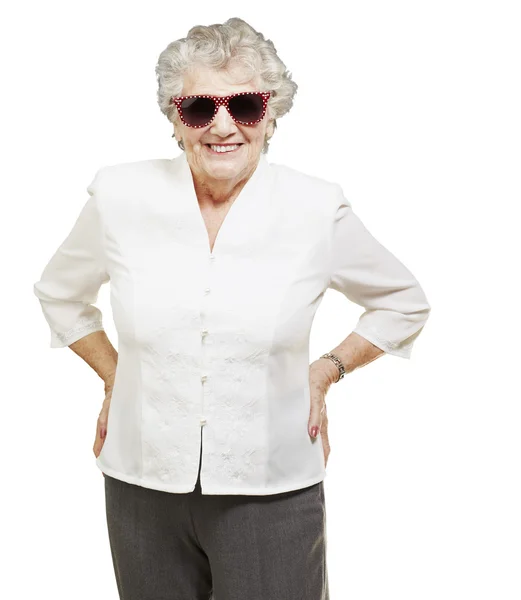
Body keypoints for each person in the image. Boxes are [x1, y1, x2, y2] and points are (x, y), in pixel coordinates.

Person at [33, 17, 431, 600]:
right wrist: (119, 376)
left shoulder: (315, 208)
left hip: (272, 491)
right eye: (198, 108)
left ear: (271, 115)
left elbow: (402, 303)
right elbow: (60, 294)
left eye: (245, 104)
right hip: (141, 486)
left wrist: (327, 369)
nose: (222, 125)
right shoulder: (119, 197)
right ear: (174, 117)